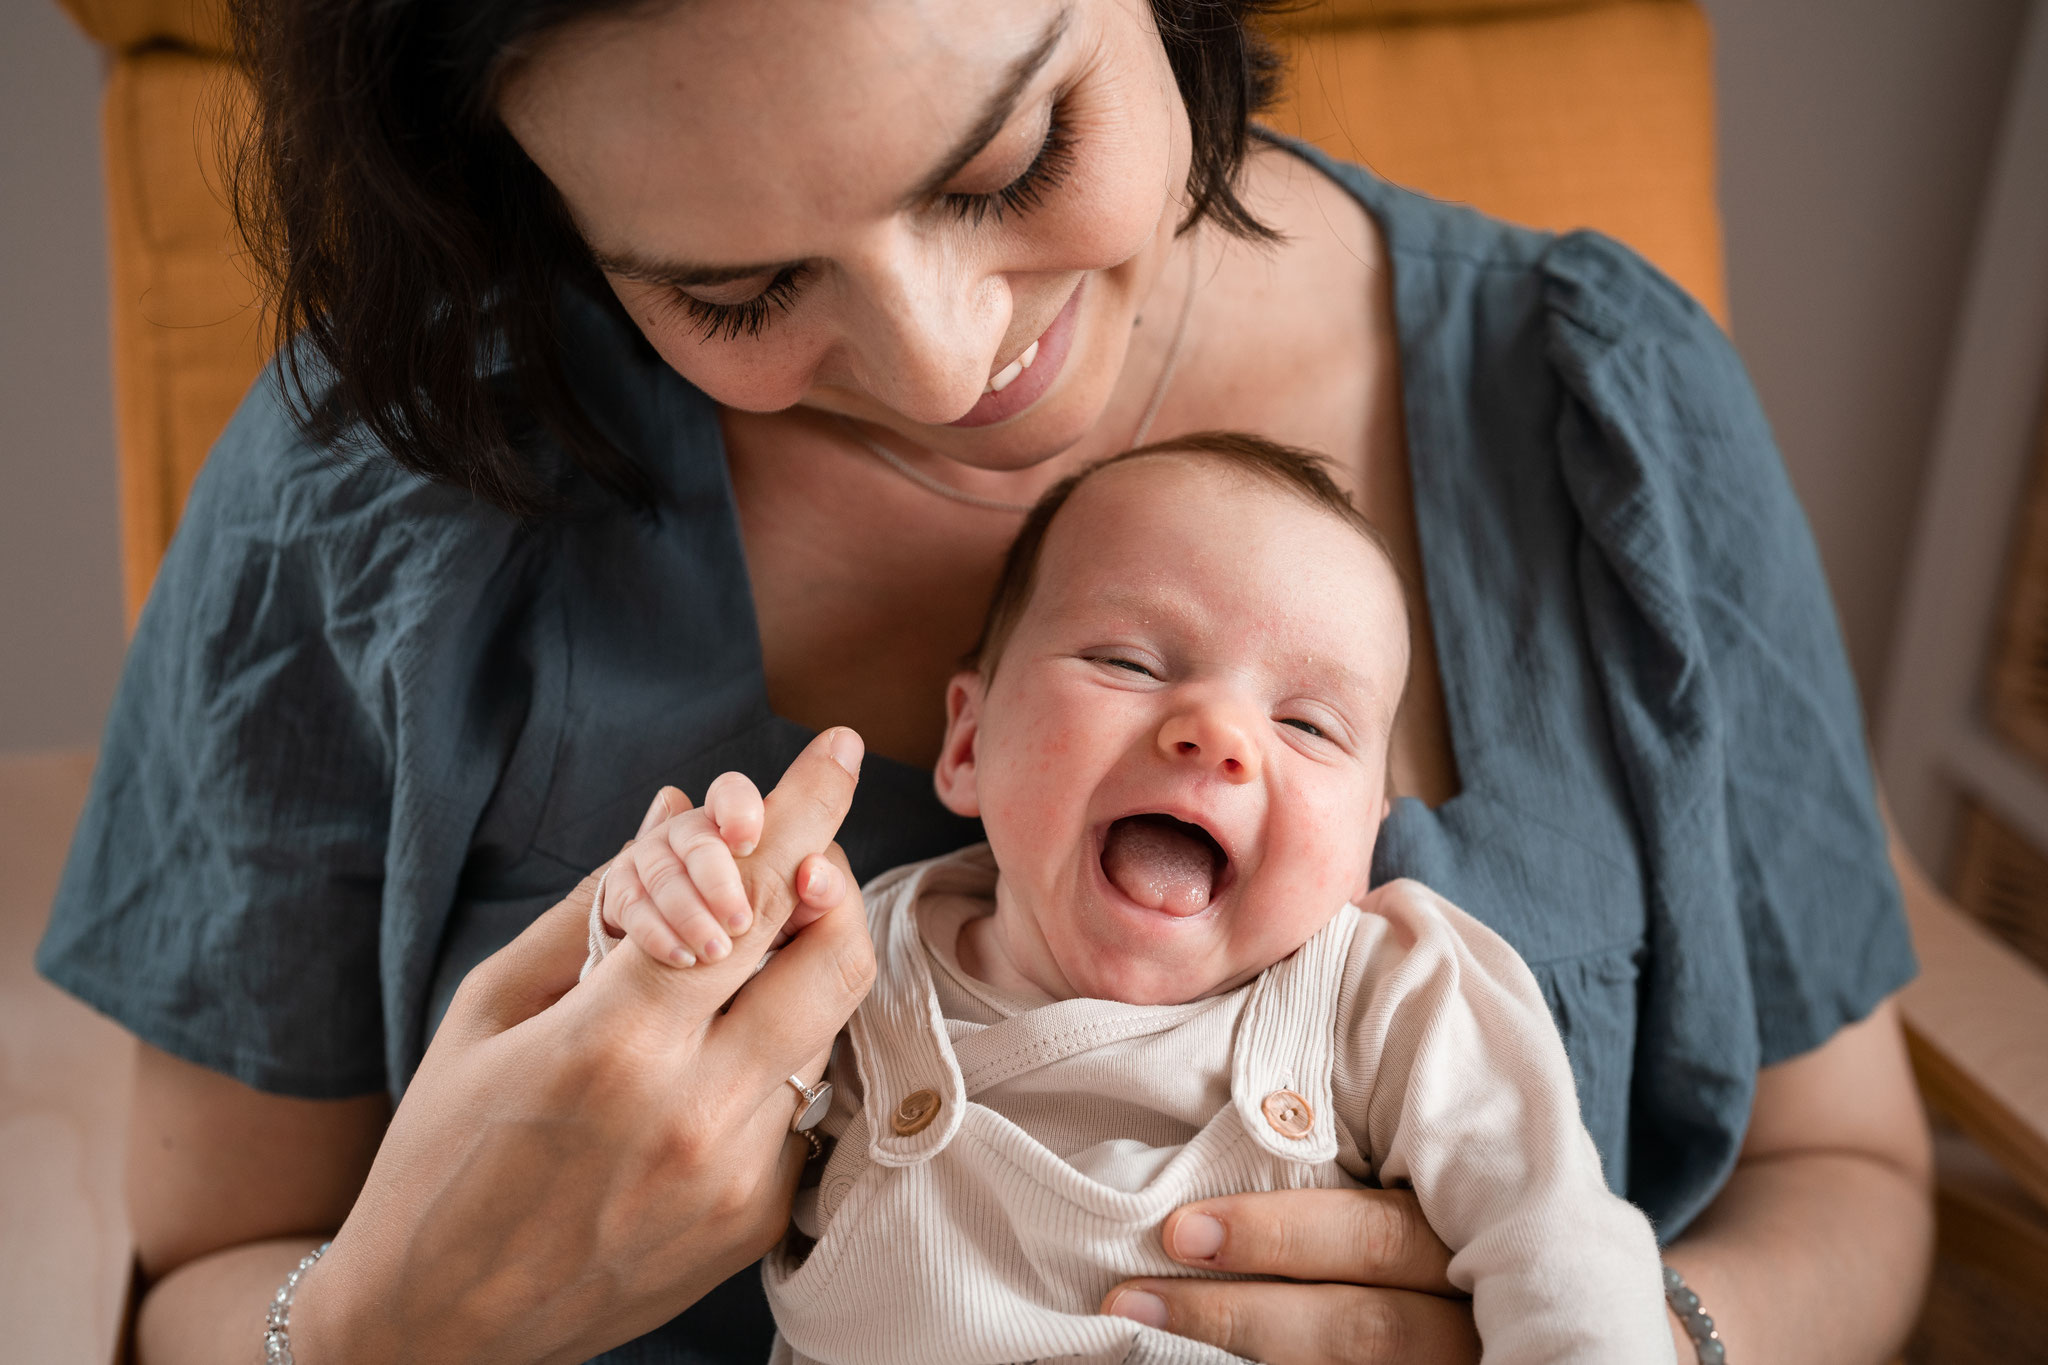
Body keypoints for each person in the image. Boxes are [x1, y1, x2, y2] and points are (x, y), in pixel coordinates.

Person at [34, 1, 1932, 1362]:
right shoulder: (376, 486)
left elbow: (1845, 1171)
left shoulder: (1598, 410)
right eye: (740, 289)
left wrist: (1641, 1333)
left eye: (1015, 156)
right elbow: (206, 1267)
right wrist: (384, 1336)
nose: (946, 370)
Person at [600, 436, 1676, 1365]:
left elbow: (1559, 1251)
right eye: (1126, 661)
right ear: (969, 742)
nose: (1214, 731)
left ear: (1366, 844)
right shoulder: (849, 956)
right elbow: (643, 1090)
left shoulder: (1389, 998)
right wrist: (662, 918)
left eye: (1306, 726)